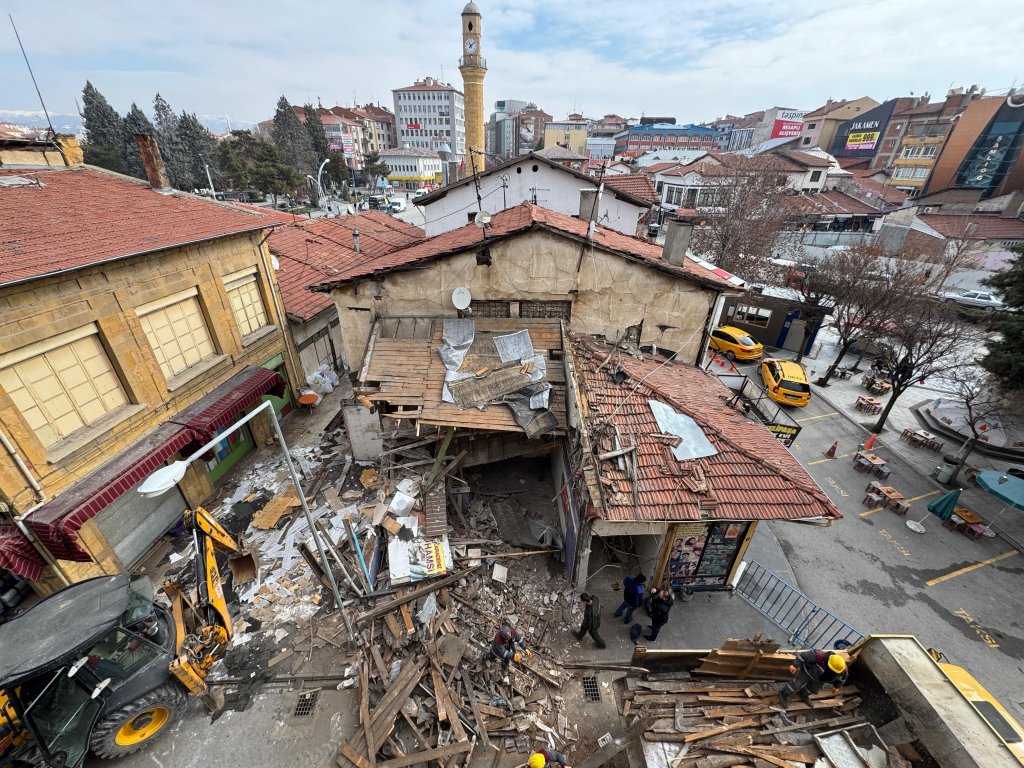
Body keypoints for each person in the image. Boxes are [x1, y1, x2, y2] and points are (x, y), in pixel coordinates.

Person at [778, 649, 849, 706]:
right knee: (796, 684)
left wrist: (836, 686)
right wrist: (794, 665)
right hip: (807, 671)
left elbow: (842, 679)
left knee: (813, 689)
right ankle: (784, 693)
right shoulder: (819, 655)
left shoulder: (842, 670)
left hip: (820, 679)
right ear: (829, 662)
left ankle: (803, 694)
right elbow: (803, 656)